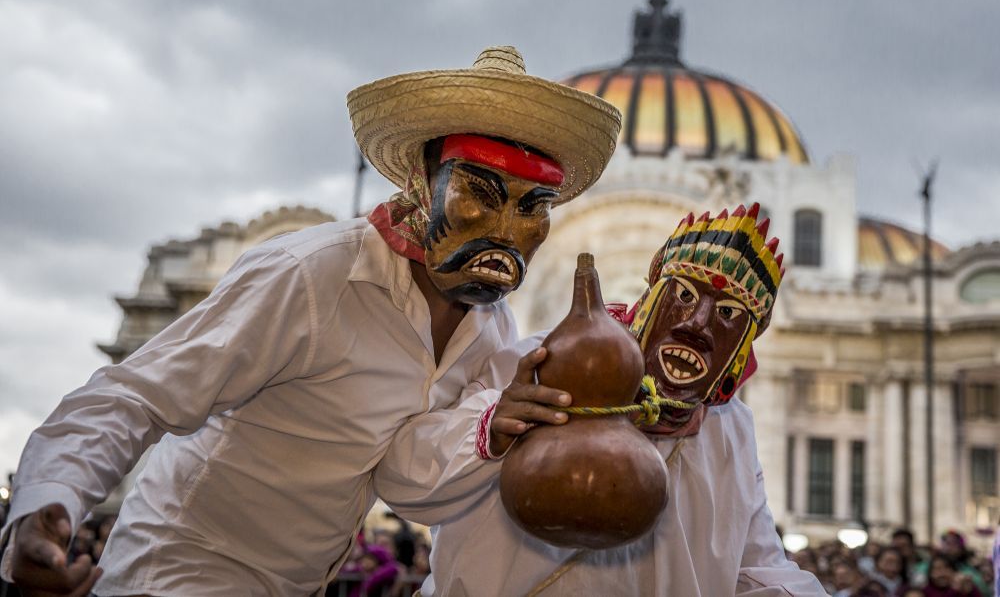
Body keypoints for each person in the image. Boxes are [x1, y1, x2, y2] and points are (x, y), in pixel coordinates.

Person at [0, 46, 621, 596]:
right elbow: (135, 396)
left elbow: (407, 478)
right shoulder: (312, 275)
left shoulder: (492, 333)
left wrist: (492, 429)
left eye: (533, 206)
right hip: (181, 570)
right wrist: (46, 504)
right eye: (481, 194)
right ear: (419, 180)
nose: (508, 232)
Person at [375, 204, 827, 595]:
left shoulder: (731, 428)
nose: (698, 325)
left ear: (743, 353)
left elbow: (757, 571)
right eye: (684, 296)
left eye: (730, 315)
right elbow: (403, 481)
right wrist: (491, 427)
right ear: (648, 300)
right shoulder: (534, 363)